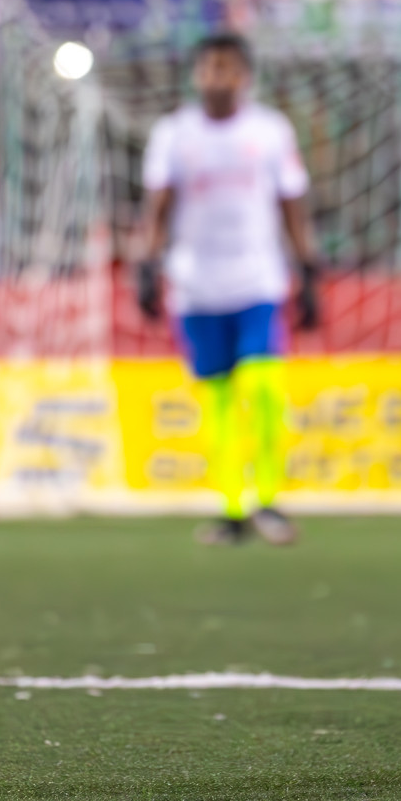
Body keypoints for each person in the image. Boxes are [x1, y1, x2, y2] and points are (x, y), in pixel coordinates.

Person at [137, 32, 320, 546]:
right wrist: (145, 265)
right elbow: (157, 205)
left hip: (257, 280)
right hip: (195, 286)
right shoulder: (174, 134)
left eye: (227, 68)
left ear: (245, 76)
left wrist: (309, 269)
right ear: (197, 75)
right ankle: (231, 509)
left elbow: (292, 204)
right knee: (216, 404)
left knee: (262, 392)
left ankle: (269, 500)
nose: (217, 77)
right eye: (209, 68)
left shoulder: (270, 132)